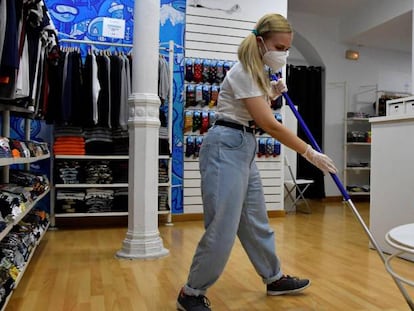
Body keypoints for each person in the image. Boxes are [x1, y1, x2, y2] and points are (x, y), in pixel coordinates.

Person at [176, 13, 338, 311]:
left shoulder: (258, 72)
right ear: (261, 42)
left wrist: (271, 94)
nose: (283, 54)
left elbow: (257, 114)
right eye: (279, 47)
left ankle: (273, 278)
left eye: (287, 48)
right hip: (226, 146)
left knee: (255, 220)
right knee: (223, 226)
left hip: (243, 144)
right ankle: (191, 292)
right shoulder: (244, 71)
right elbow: (270, 125)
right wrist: (309, 153)